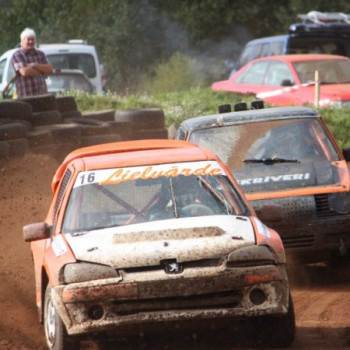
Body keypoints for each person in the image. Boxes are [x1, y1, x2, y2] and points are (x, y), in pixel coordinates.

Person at [11, 28, 53, 97]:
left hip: (42, 95)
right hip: (26, 97)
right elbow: (25, 72)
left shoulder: (40, 54)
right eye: (28, 39)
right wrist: (41, 69)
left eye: (32, 39)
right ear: (22, 41)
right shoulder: (17, 55)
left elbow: (50, 69)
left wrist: (34, 65)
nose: (31, 42)